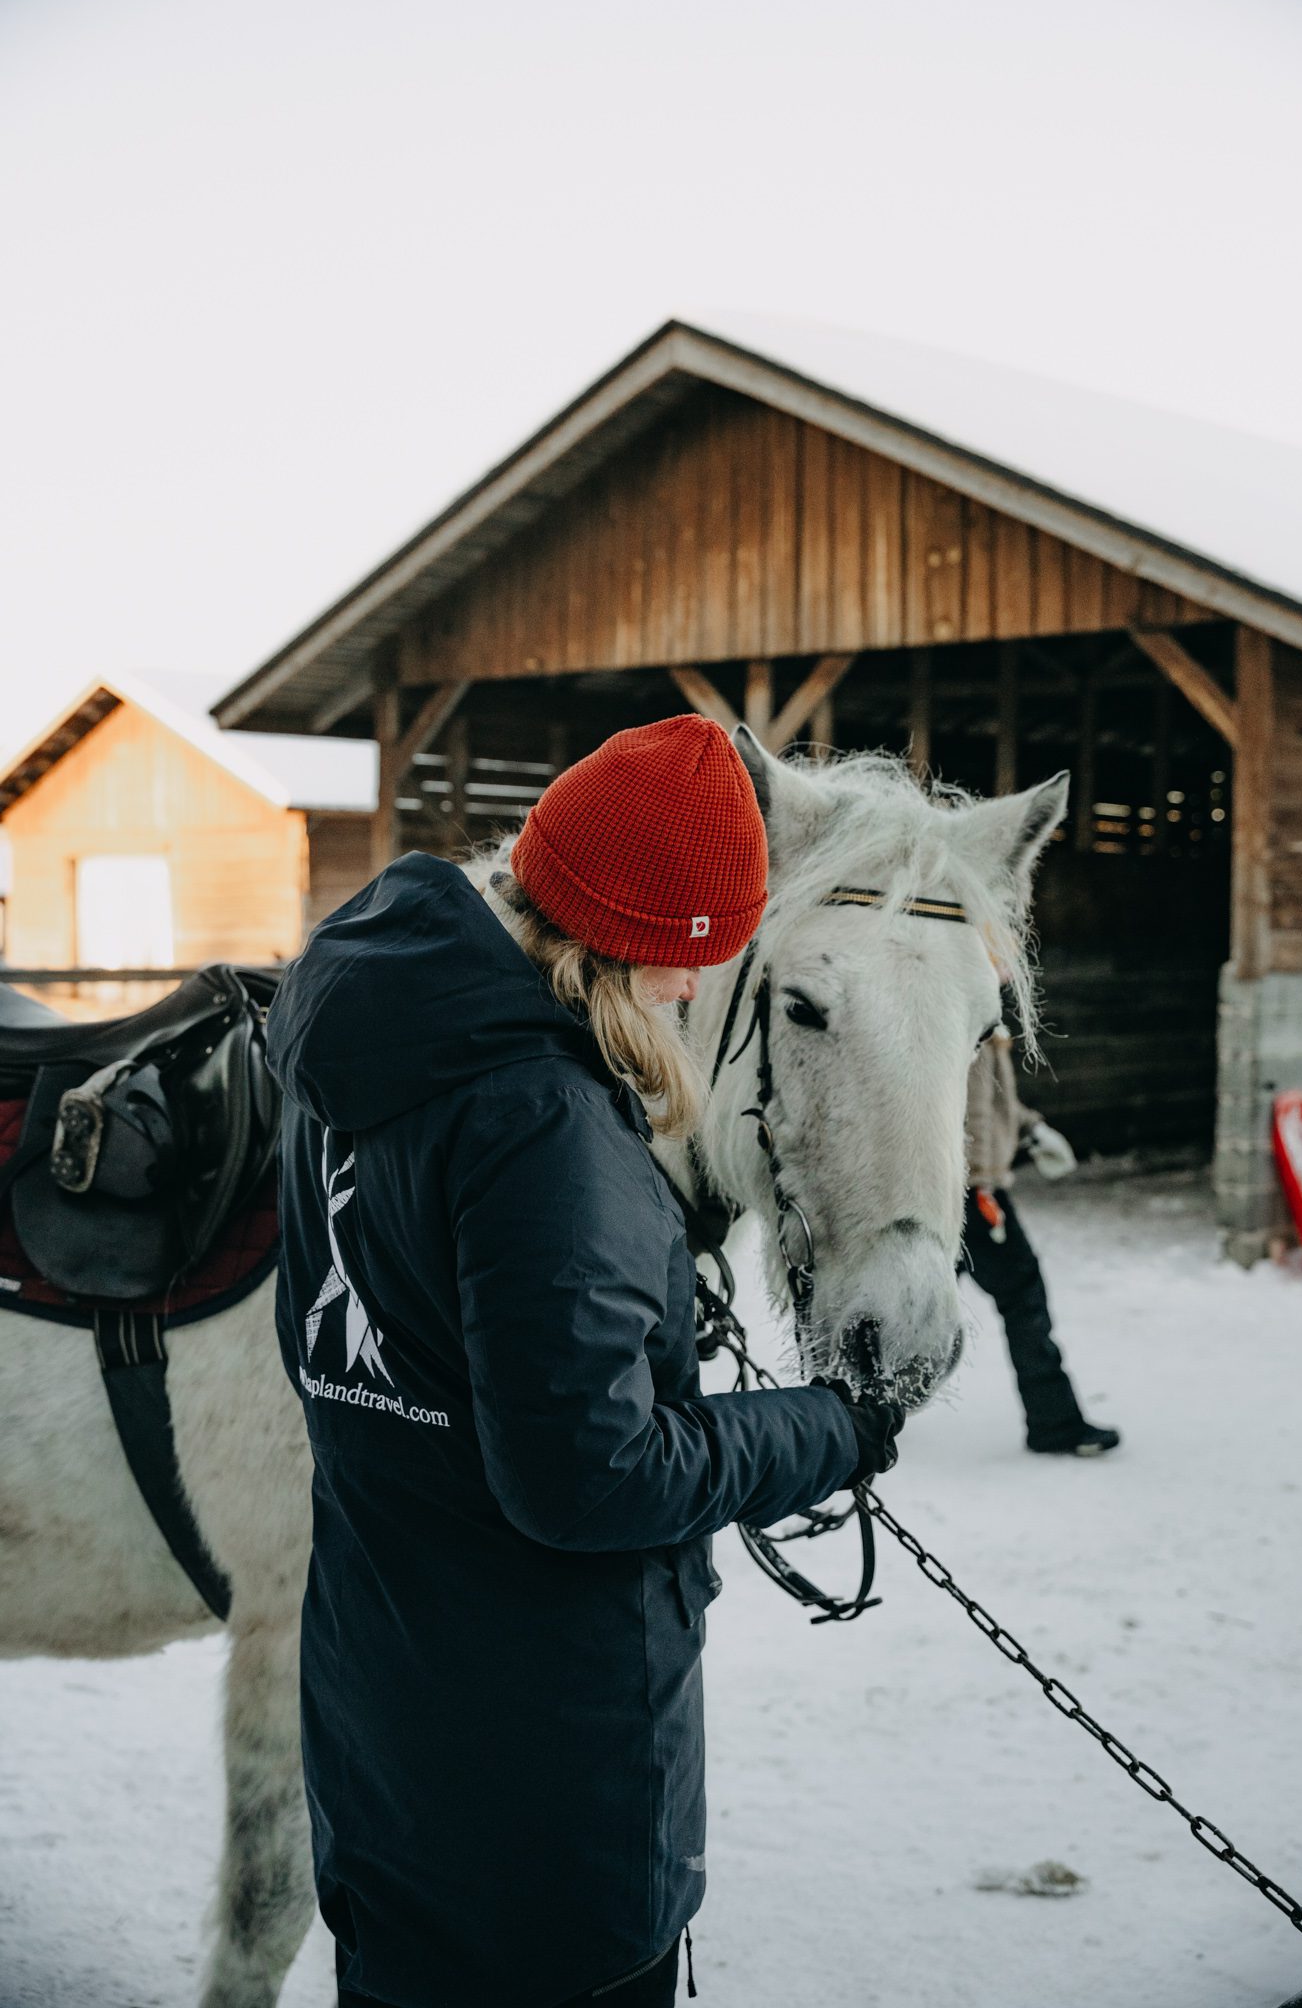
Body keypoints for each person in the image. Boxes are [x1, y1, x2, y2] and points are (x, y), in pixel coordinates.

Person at [266, 714, 904, 2008]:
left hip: (383, 1727)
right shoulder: (541, 1121)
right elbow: (591, 1477)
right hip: (549, 1786)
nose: (689, 990)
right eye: (687, 962)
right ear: (619, 941)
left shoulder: (358, 1042)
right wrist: (833, 1429)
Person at [959, 1028, 1120, 1457]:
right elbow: (956, 1103)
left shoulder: (982, 1010)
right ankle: (1054, 1423)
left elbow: (991, 1100)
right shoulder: (962, 1009)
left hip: (972, 1188)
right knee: (1023, 1298)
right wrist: (977, 1179)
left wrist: (1031, 1130)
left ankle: (854, 1410)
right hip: (967, 1190)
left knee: (913, 1304)